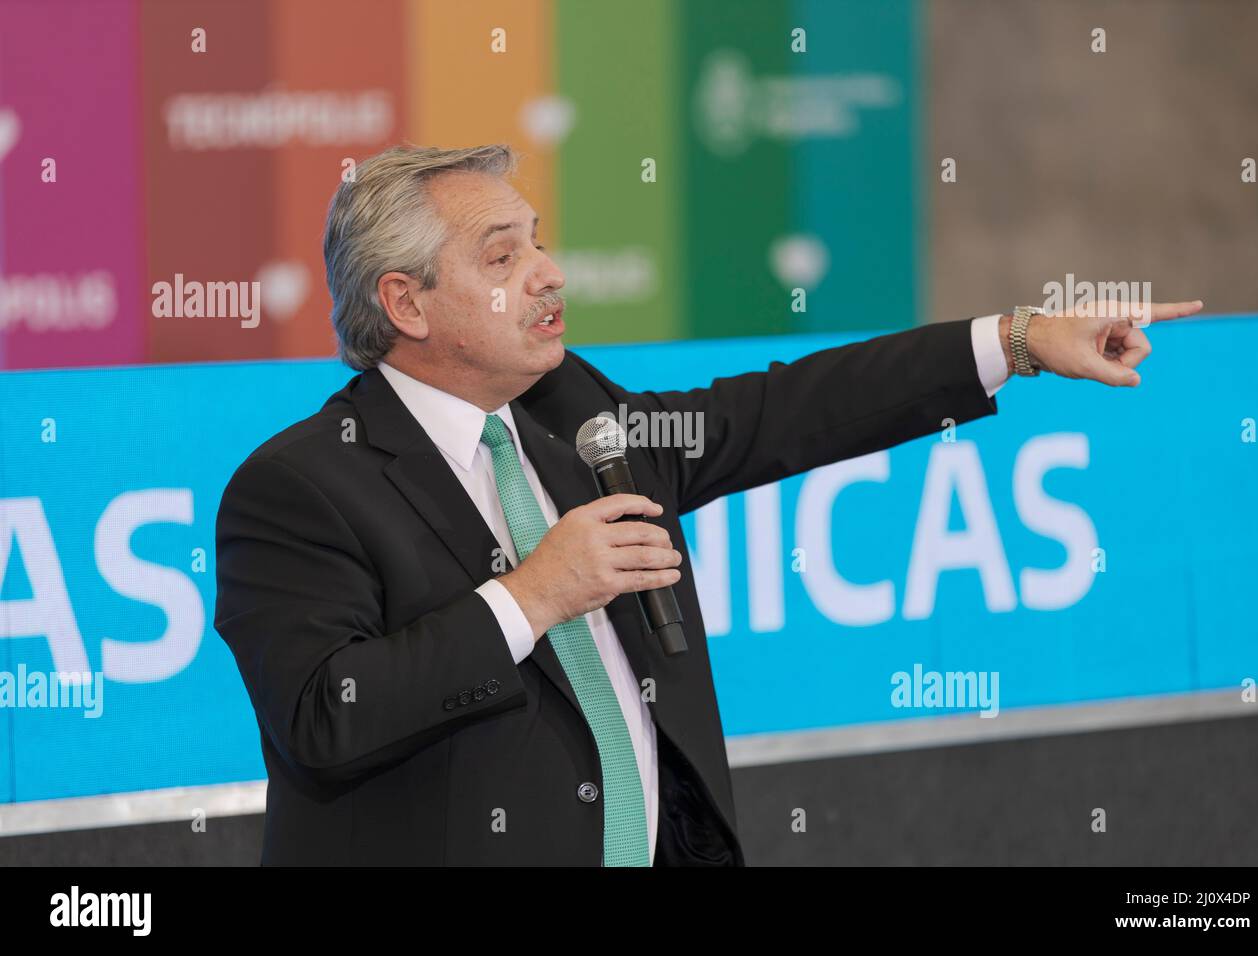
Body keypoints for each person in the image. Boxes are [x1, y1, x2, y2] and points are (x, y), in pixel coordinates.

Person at [213, 143, 1202, 865]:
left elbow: (783, 411)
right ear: (408, 304)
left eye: (541, 244)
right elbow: (323, 717)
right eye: (502, 256)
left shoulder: (572, 415)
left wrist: (1018, 341)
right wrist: (531, 595)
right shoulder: (302, 484)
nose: (549, 273)